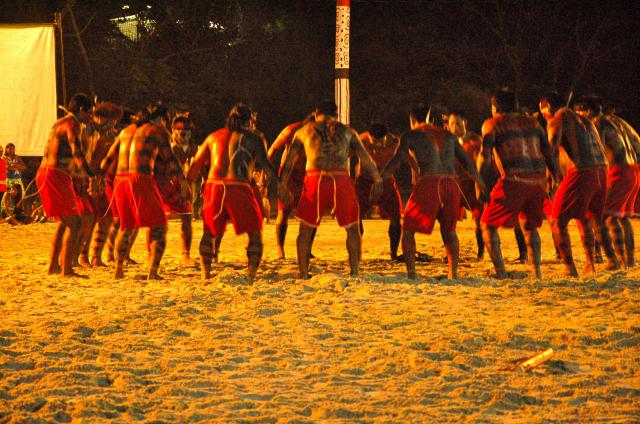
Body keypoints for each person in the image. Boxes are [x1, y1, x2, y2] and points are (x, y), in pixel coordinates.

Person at [279, 101, 383, 279]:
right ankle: (355, 272)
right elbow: (365, 158)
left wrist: (282, 185)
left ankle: (303, 273)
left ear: (315, 113)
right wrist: (378, 180)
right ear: (336, 114)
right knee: (352, 229)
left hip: (315, 178)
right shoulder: (348, 131)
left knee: (305, 230)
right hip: (340, 178)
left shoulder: (304, 131)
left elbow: (289, 161)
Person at [383, 104, 485, 280]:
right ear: (430, 118)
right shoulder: (448, 135)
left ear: (412, 120)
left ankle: (412, 274)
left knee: (407, 229)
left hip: (429, 182)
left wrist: (380, 178)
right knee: (449, 231)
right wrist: (480, 182)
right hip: (451, 184)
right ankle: (453, 273)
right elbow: (467, 163)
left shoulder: (410, 135)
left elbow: (396, 160)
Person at [188, 103, 277, 281]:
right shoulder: (253, 138)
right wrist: (279, 185)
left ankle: (205, 274)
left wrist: (186, 185)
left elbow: (196, 163)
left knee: (209, 232)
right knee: (255, 233)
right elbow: (266, 166)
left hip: (214, 186)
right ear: (249, 120)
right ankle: (251, 274)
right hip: (238, 186)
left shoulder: (213, 137)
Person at [478, 89, 559, 279]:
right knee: (529, 226)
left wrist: (479, 181)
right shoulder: (533, 123)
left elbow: (485, 155)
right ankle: (536, 272)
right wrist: (554, 177)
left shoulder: (492, 123)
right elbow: (548, 152)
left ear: (494, 107)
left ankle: (501, 273)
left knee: (487, 225)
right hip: (538, 179)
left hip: (514, 179)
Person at [539, 92, 608, 276]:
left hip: (582, 171)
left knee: (557, 221)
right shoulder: (585, 120)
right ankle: (590, 263)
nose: (543, 115)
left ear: (549, 107)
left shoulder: (557, 119)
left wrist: (551, 177)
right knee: (584, 218)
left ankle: (569, 268)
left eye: (543, 111)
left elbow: (550, 150)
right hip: (601, 171)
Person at [107, 104, 171, 280]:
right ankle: (153, 271)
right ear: (161, 119)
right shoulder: (158, 131)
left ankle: (118, 269)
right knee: (159, 227)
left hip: (120, 180)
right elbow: (170, 160)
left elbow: (107, 161)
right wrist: (182, 181)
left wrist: (96, 179)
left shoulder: (125, 132)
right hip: (140, 178)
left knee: (126, 226)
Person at [575, 96, 637, 269]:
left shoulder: (596, 123)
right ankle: (629, 261)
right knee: (623, 218)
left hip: (618, 171)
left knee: (604, 217)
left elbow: (598, 151)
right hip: (633, 169)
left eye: (579, 112)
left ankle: (613, 261)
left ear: (586, 110)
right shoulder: (617, 121)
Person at [36, 93, 94, 276]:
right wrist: (90, 173)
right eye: (88, 113)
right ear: (81, 110)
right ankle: (66, 269)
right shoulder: (73, 124)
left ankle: (54, 266)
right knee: (75, 222)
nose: (89, 117)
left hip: (47, 173)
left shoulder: (58, 123)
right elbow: (76, 150)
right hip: (55, 175)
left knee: (65, 222)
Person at [357, 123, 417, 260]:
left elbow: (410, 157)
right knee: (355, 216)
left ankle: (394, 253)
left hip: (387, 183)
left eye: (380, 141)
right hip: (365, 182)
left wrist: (416, 172)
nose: (377, 144)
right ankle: (357, 251)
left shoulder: (395, 142)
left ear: (387, 137)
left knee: (396, 217)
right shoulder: (361, 140)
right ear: (369, 136)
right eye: (374, 141)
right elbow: (345, 154)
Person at [77, 102, 123, 267]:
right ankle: (82, 256)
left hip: (102, 179)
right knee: (88, 219)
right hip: (86, 178)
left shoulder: (112, 134)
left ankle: (96, 255)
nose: (110, 124)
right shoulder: (85, 132)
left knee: (106, 218)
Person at [267, 115, 316, 259]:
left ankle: (306, 248)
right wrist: (266, 172)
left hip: (309, 173)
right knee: (284, 211)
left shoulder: (323, 133)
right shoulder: (291, 130)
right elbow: (273, 150)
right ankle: (280, 249)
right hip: (289, 173)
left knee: (312, 213)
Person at [154, 114, 195, 266]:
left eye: (186, 129)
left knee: (187, 218)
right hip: (163, 184)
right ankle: (150, 255)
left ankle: (186, 255)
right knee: (155, 221)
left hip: (181, 184)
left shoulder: (192, 148)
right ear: (172, 130)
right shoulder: (168, 147)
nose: (182, 132)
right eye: (179, 129)